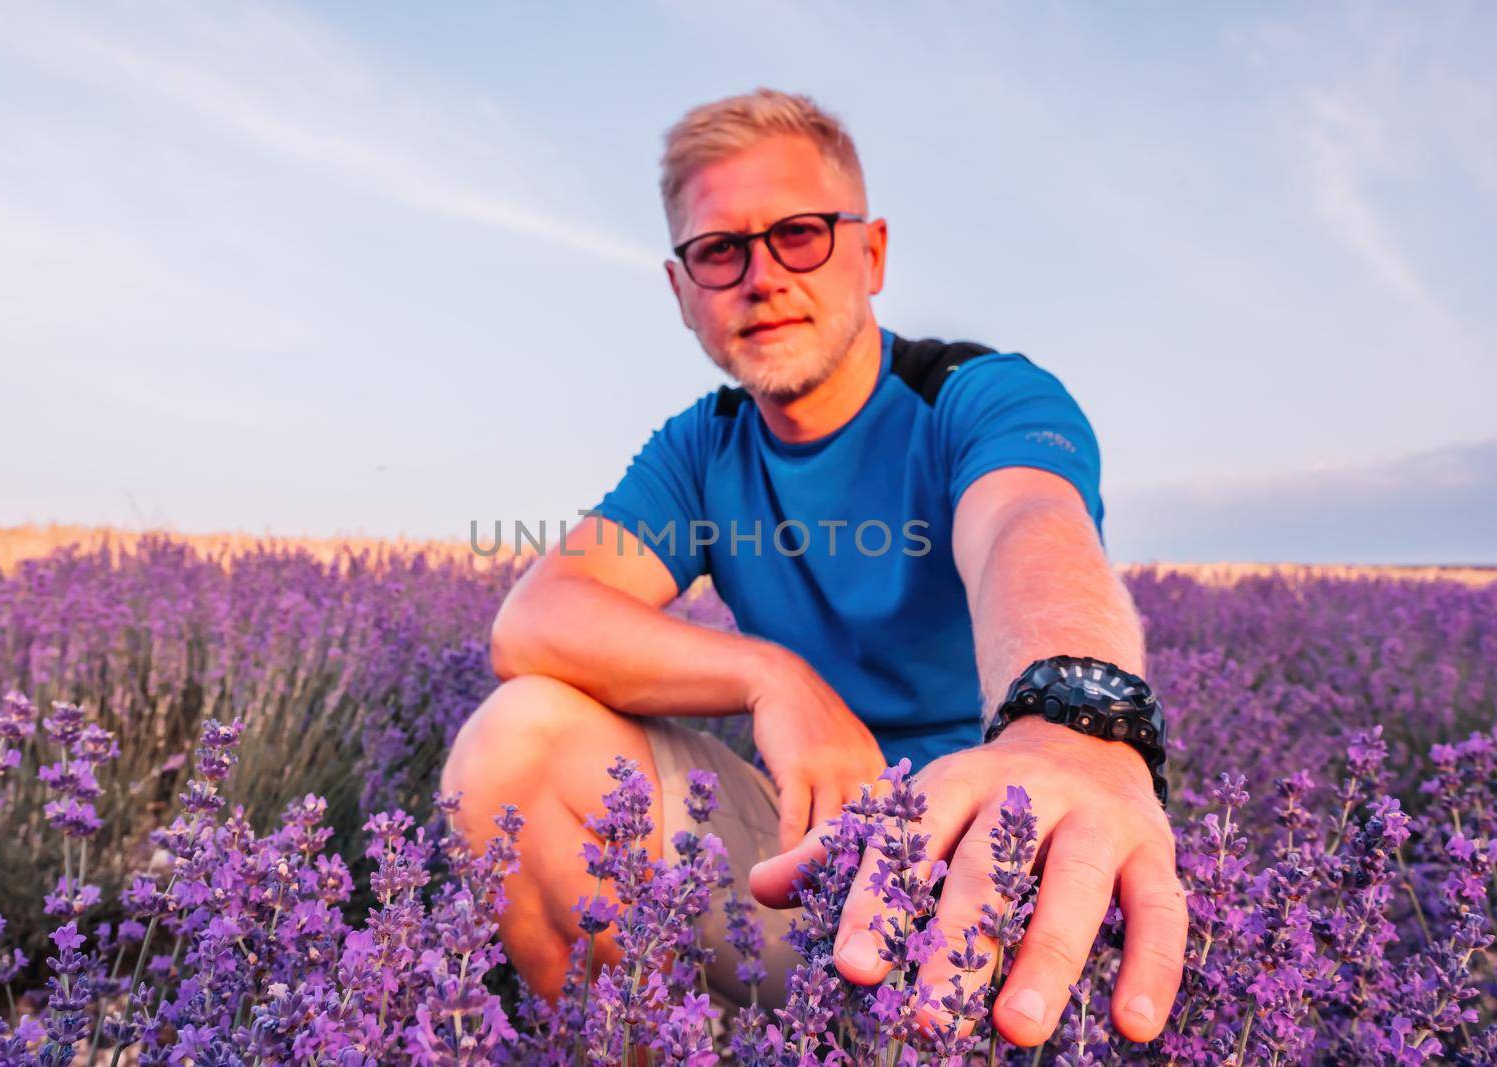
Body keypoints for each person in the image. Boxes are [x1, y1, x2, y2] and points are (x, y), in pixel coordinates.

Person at [440, 86, 1186, 1048]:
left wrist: (1068, 721)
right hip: (798, 855)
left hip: (985, 862)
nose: (761, 277)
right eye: (721, 250)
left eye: (799, 234)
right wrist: (770, 676)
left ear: (869, 254)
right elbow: (538, 617)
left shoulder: (973, 397)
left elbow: (1028, 527)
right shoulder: (704, 449)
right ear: (683, 292)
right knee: (518, 741)